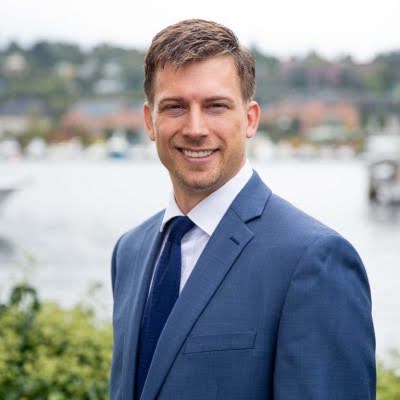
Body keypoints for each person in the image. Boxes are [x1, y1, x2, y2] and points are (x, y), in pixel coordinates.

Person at [110, 19, 376, 400]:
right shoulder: (129, 252)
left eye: (216, 106)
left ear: (250, 119)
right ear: (149, 121)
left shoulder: (314, 261)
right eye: (175, 107)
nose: (195, 128)